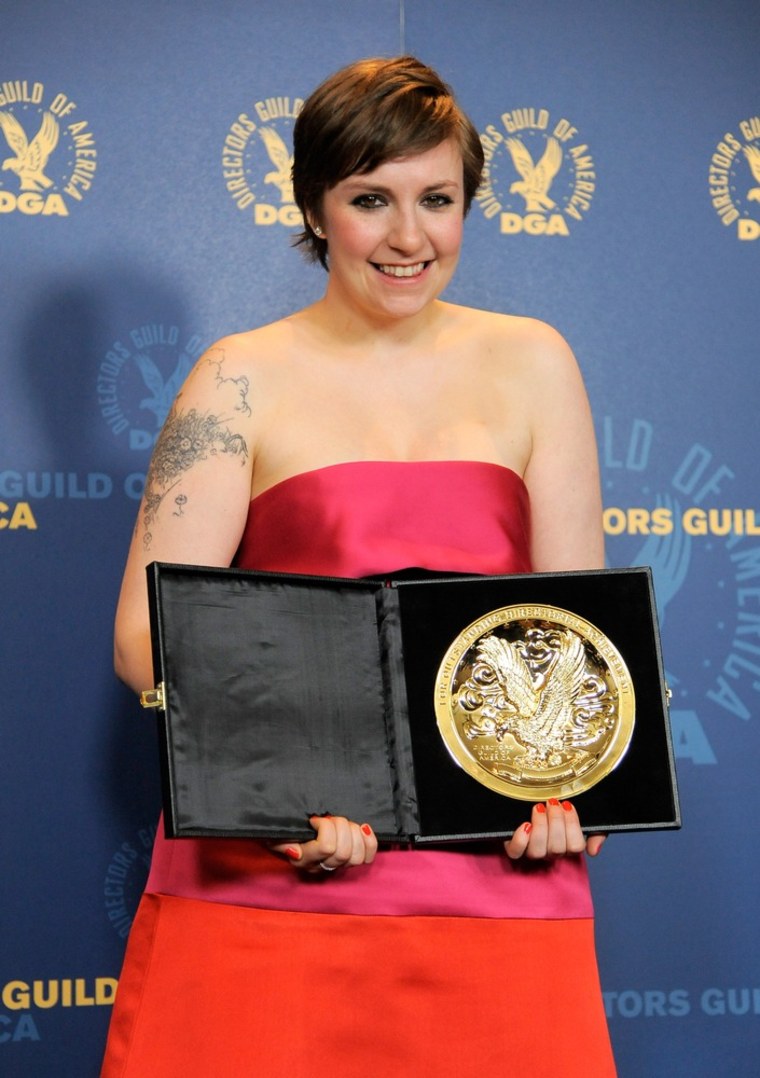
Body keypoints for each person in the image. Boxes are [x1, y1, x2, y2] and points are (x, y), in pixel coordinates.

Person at [102, 56, 615, 1076]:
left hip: (492, 883)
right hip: (275, 872)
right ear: (314, 205)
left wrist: (575, 795)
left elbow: (575, 640)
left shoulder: (536, 362)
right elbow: (142, 637)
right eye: (370, 200)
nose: (408, 237)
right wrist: (275, 798)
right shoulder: (235, 377)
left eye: (438, 199)